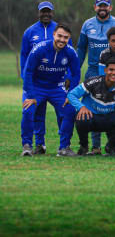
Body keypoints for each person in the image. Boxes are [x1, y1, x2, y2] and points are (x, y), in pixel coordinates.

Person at [77, 0, 115, 155]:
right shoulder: (87, 24)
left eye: (105, 5)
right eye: (99, 5)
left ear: (110, 7)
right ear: (95, 7)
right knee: (94, 106)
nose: (102, 8)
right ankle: (95, 146)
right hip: (93, 70)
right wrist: (76, 69)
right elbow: (81, 49)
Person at [21, 23, 80, 157]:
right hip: (37, 87)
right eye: (59, 36)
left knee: (70, 109)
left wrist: (71, 94)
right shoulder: (39, 49)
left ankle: (64, 147)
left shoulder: (71, 52)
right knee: (28, 110)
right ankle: (27, 146)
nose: (61, 40)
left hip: (57, 87)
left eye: (65, 37)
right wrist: (30, 95)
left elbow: (76, 74)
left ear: (69, 38)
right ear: (54, 35)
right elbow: (28, 72)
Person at [19, 1, 67, 155]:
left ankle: (64, 146)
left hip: (55, 82)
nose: (46, 14)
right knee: (31, 112)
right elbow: (23, 54)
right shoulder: (30, 32)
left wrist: (69, 77)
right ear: (38, 13)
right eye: (43, 11)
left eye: (49, 11)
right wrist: (24, 75)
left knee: (65, 111)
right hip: (35, 82)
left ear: (53, 13)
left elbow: (69, 52)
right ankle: (33, 144)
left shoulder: (59, 30)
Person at [67, 58, 115, 156]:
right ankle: (84, 146)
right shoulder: (93, 82)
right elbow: (71, 95)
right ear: (105, 70)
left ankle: (110, 146)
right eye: (111, 70)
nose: (113, 73)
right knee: (81, 117)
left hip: (109, 117)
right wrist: (81, 107)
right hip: (92, 117)